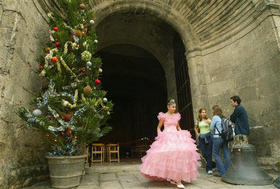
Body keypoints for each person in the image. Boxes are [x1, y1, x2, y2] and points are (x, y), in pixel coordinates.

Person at [140, 98, 200, 189]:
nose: (174, 108)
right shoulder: (163, 116)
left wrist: (182, 134)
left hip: (176, 135)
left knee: (180, 154)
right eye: (172, 107)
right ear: (168, 107)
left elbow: (178, 127)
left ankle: (177, 179)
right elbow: (159, 127)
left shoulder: (177, 116)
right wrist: (160, 135)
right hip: (167, 136)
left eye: (175, 107)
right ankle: (175, 179)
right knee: (169, 156)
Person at [210, 105, 230, 177]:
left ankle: (222, 172)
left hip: (218, 137)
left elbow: (211, 128)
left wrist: (214, 129)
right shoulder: (224, 117)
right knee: (226, 154)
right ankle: (226, 171)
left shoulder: (215, 117)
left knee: (215, 154)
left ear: (214, 111)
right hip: (225, 138)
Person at [194, 108, 214, 174]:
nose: (204, 113)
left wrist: (210, 123)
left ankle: (209, 169)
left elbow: (213, 127)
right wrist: (198, 134)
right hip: (201, 138)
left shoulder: (208, 120)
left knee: (209, 153)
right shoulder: (198, 121)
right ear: (200, 113)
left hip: (208, 137)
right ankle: (212, 164)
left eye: (205, 112)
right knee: (204, 153)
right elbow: (195, 128)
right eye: (202, 112)